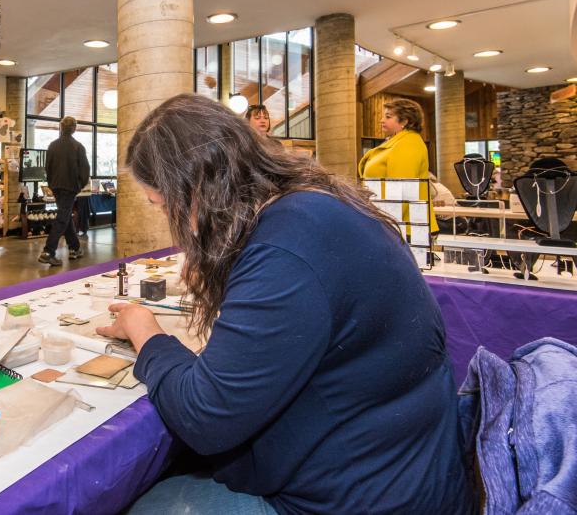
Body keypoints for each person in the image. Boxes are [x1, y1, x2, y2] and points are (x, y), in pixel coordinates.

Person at [99, 94, 475, 514]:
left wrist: (144, 331)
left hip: (361, 496)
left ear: (197, 190)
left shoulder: (284, 249)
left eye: (163, 205)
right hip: (404, 467)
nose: (168, 219)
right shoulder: (317, 207)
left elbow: (205, 416)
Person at [359, 98, 437, 232]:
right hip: (393, 220)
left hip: (405, 226)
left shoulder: (408, 144)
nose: (382, 120)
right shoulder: (398, 142)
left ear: (405, 121)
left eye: (388, 117)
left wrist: (388, 227)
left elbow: (402, 190)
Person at [38, 116, 90, 266]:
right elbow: (85, 170)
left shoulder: (52, 145)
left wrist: (52, 184)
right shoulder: (78, 146)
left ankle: (75, 248)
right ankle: (48, 251)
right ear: (74, 128)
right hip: (70, 187)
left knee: (65, 216)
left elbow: (48, 167)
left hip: (56, 187)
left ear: (61, 127)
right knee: (62, 218)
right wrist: (79, 185)